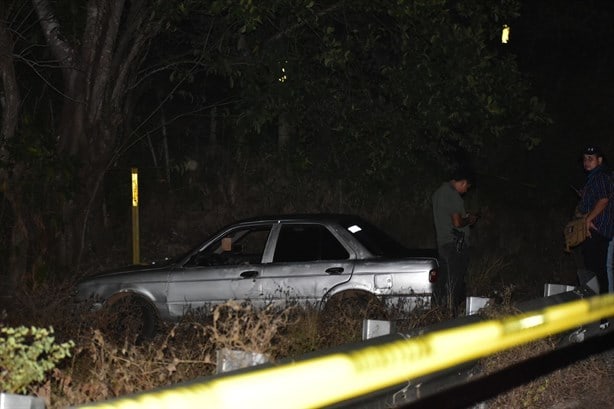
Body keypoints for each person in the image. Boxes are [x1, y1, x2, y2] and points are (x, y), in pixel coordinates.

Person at [432, 168, 479, 315]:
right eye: (466, 187)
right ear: (462, 182)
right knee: (456, 282)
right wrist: (469, 219)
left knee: (445, 281)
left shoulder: (437, 193)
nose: (466, 190)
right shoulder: (452, 195)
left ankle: (440, 313)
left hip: (443, 244)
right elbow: (457, 222)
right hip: (455, 246)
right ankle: (452, 315)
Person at [577, 145, 614, 301]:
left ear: (599, 160)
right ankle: (600, 312)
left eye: (590, 159)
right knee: (596, 271)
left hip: (597, 231)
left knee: (598, 272)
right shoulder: (594, 177)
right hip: (595, 229)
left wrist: (588, 219)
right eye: (585, 158)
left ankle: (603, 315)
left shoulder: (600, 176)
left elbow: (604, 200)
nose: (587, 162)